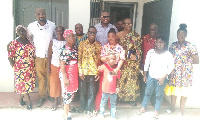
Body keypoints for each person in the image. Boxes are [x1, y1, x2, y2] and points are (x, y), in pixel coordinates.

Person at [136, 36, 174, 119]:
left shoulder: (168, 54)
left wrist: (163, 77)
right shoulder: (151, 52)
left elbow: (171, 67)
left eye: (161, 42)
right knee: (147, 93)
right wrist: (145, 75)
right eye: (157, 42)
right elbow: (146, 64)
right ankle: (143, 107)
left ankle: (156, 111)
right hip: (151, 76)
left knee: (159, 95)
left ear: (164, 43)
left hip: (161, 79)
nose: (158, 44)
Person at [165, 24, 199, 116]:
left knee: (184, 92)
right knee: (174, 91)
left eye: (183, 34)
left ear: (186, 35)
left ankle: (181, 110)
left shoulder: (191, 46)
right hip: (174, 72)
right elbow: (169, 58)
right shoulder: (173, 46)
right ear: (177, 35)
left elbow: (196, 60)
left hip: (185, 74)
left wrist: (186, 66)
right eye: (179, 34)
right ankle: (172, 108)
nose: (181, 36)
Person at [27, 8, 56, 107]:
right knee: (41, 77)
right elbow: (27, 38)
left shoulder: (52, 25)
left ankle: (50, 94)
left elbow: (55, 39)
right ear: (35, 15)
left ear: (45, 14)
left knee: (50, 76)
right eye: (39, 14)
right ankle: (42, 96)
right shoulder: (31, 26)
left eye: (43, 13)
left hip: (50, 57)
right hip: (38, 56)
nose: (41, 16)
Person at [95, 28, 125, 112]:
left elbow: (122, 59)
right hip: (106, 69)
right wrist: (108, 58)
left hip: (114, 69)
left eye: (112, 36)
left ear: (115, 37)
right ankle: (98, 107)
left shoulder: (119, 47)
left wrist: (117, 69)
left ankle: (109, 107)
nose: (110, 38)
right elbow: (101, 58)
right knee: (102, 89)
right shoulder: (105, 47)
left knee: (112, 89)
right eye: (109, 36)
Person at [8, 25, 36, 110]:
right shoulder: (14, 43)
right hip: (19, 68)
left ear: (26, 31)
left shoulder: (30, 41)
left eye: (23, 31)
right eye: (19, 31)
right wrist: (14, 67)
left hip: (30, 68)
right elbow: (10, 57)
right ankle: (29, 102)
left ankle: (20, 99)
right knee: (23, 84)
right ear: (17, 32)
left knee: (26, 85)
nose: (22, 33)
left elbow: (34, 54)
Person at [116, 18, 142, 105]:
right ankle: (120, 97)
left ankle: (132, 99)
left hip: (132, 62)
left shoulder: (136, 36)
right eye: (126, 24)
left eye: (130, 24)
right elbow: (115, 47)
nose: (128, 25)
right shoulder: (118, 35)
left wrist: (136, 56)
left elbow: (139, 48)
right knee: (121, 78)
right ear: (123, 25)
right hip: (122, 61)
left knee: (132, 79)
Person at [78, 26, 101, 118]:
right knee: (82, 91)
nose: (92, 34)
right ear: (87, 33)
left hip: (93, 72)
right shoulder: (82, 44)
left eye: (94, 33)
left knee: (92, 92)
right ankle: (83, 107)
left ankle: (89, 109)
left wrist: (98, 72)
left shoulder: (98, 45)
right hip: (83, 72)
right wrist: (80, 71)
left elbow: (99, 61)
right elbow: (79, 59)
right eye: (91, 32)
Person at [59, 29, 79, 120]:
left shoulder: (75, 48)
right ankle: (65, 114)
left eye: (73, 36)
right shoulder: (64, 49)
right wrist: (65, 78)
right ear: (66, 38)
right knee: (66, 93)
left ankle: (68, 110)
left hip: (73, 73)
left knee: (71, 93)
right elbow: (62, 65)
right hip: (66, 73)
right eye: (70, 36)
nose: (72, 38)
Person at [47, 26, 66, 111]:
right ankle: (55, 101)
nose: (59, 32)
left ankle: (62, 100)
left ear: (63, 31)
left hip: (64, 66)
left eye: (61, 30)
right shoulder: (53, 42)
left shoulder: (66, 42)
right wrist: (48, 68)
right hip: (54, 65)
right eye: (57, 31)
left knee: (63, 83)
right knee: (54, 83)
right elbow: (49, 55)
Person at [96, 54, 120, 120]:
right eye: (110, 59)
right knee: (103, 103)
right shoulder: (104, 66)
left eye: (114, 59)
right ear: (107, 60)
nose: (112, 60)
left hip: (113, 91)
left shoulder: (116, 69)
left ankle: (113, 116)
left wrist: (117, 87)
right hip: (105, 90)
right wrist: (101, 59)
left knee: (113, 104)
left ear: (116, 60)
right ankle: (102, 114)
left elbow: (117, 79)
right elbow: (98, 68)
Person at [140, 23, 159, 105]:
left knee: (155, 83)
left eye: (155, 29)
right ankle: (142, 99)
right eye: (151, 29)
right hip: (144, 64)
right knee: (144, 82)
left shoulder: (159, 39)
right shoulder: (144, 38)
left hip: (156, 65)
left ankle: (153, 100)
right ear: (149, 30)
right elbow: (140, 50)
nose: (153, 31)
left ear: (157, 30)